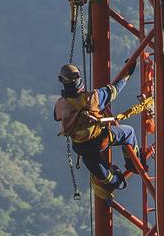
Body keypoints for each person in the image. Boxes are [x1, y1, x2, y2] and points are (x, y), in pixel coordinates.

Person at [55, 59, 147, 196]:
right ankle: (133, 164)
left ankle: (114, 180)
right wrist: (128, 73)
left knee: (101, 172)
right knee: (128, 132)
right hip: (98, 139)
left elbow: (57, 117)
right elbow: (115, 90)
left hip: (81, 147)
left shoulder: (60, 104)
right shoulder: (93, 98)